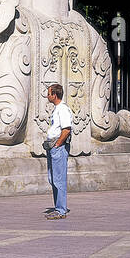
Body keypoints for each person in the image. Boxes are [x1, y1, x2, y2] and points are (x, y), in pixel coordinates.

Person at [43, 83, 72, 220]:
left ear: (55, 95)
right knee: (52, 178)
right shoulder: (57, 109)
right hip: (53, 147)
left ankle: (61, 210)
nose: (47, 96)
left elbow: (66, 129)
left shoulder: (63, 109)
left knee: (59, 179)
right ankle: (58, 207)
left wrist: (58, 144)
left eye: (49, 93)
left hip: (58, 148)